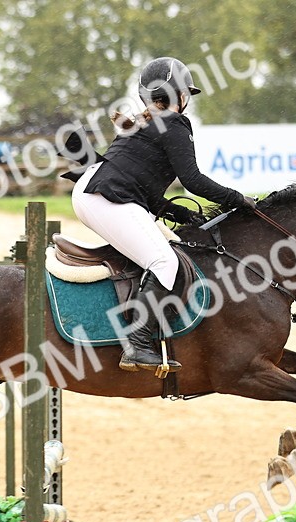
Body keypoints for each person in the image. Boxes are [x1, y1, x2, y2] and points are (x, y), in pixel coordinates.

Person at [68, 57, 255, 373]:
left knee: (161, 256)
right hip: (104, 196)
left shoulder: (144, 121)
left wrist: (175, 211)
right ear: (179, 94)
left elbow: (139, 184)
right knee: (165, 262)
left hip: (100, 192)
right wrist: (238, 199)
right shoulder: (174, 123)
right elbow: (193, 180)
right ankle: (137, 343)